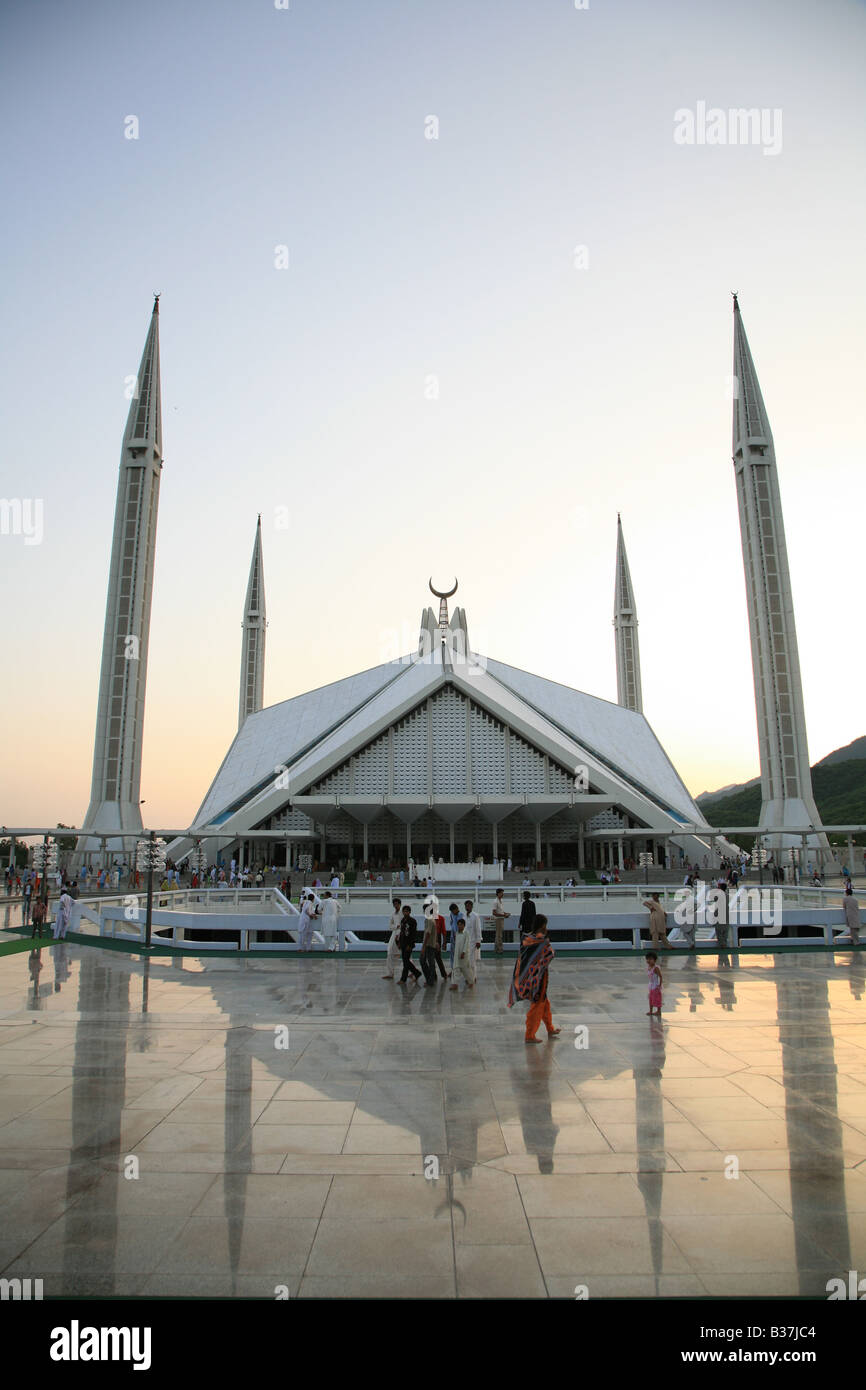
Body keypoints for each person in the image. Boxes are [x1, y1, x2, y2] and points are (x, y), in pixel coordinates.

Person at [508, 915, 560, 1043]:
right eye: (545, 925)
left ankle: (550, 1028)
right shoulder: (541, 941)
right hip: (538, 977)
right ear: (542, 925)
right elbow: (551, 954)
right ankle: (530, 1034)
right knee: (538, 1003)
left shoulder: (527, 938)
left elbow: (525, 957)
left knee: (544, 1001)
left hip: (532, 975)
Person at [449, 916, 475, 990]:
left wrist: (463, 952)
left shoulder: (466, 933)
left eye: (461, 924)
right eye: (458, 924)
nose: (459, 926)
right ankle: (455, 984)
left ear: (464, 925)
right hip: (457, 955)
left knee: (466, 970)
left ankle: (471, 982)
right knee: (456, 969)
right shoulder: (457, 933)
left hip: (464, 955)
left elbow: (466, 944)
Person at [397, 905, 421, 983]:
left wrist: (410, 945)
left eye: (407, 911)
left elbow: (414, 934)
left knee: (406, 962)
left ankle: (403, 979)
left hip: (409, 944)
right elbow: (402, 932)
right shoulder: (403, 920)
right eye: (404, 911)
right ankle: (417, 973)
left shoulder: (412, 921)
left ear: (409, 912)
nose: (405, 912)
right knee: (405, 961)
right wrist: (399, 943)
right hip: (403, 943)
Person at [382, 898, 402, 979]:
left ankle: (411, 972)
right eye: (395, 904)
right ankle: (390, 973)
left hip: (402, 934)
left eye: (397, 904)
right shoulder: (393, 914)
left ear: (400, 904)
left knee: (406, 954)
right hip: (394, 934)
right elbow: (390, 926)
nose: (396, 905)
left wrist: (399, 929)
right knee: (390, 952)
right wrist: (396, 927)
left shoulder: (403, 913)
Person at [464, 899, 483, 973]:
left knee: (472, 960)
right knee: (466, 960)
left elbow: (478, 928)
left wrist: (478, 941)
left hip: (473, 941)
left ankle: (473, 976)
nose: (467, 907)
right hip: (466, 941)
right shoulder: (464, 916)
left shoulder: (475, 916)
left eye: (469, 905)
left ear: (472, 906)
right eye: (466, 906)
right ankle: (468, 976)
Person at [490, 888, 510, 954]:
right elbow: (494, 912)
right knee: (499, 935)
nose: (502, 894)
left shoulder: (501, 900)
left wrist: (505, 913)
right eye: (501, 893)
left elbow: (500, 911)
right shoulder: (495, 901)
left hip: (501, 918)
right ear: (498, 893)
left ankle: (496, 949)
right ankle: (499, 949)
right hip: (498, 919)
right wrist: (503, 915)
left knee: (498, 935)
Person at [646, 952, 663, 1016]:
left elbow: (660, 976)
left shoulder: (656, 968)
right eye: (647, 959)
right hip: (651, 985)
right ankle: (651, 1011)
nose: (648, 961)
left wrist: (659, 985)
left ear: (654, 960)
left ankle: (659, 1011)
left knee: (657, 999)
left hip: (656, 986)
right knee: (651, 998)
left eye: (650, 959)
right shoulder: (649, 967)